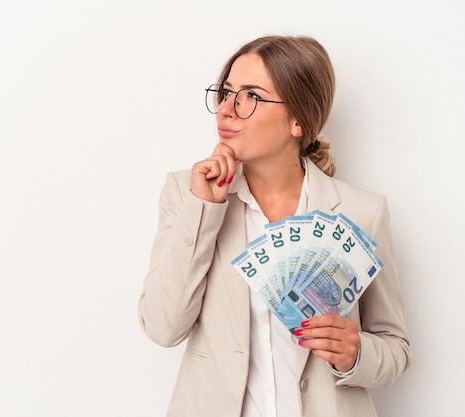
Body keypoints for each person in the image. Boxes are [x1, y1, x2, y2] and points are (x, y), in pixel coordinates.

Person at [137, 35, 411, 417]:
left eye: (251, 96)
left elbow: (395, 348)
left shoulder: (361, 212)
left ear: (298, 120)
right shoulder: (186, 193)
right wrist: (205, 210)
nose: (227, 110)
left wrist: (356, 353)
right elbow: (162, 328)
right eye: (227, 91)